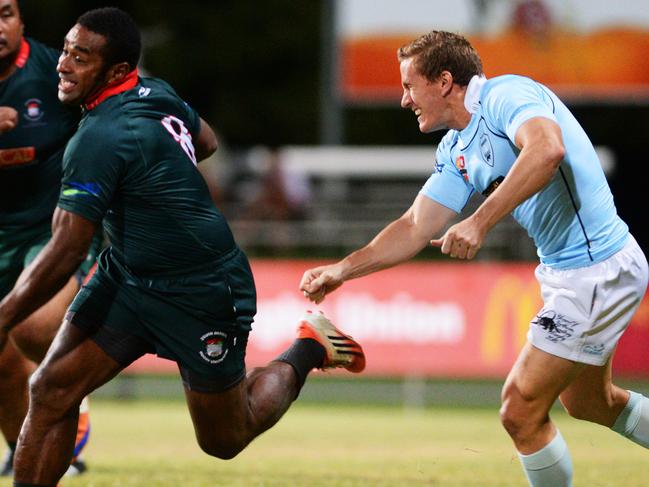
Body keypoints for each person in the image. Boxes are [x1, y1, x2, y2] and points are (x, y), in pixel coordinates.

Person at [0, 8, 365, 487]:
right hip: (128, 277)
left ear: (115, 72)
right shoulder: (156, 93)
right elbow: (206, 140)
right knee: (50, 389)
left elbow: (66, 251)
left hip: (201, 287)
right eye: (66, 50)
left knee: (224, 439)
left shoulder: (101, 137)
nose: (63, 65)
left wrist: (2, 316)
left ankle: (308, 348)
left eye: (80, 58)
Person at [300, 30, 648, 487]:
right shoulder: (455, 149)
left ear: (444, 82)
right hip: (570, 273)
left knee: (519, 409)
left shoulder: (506, 94)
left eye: (409, 86)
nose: (405, 100)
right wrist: (342, 270)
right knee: (589, 404)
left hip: (597, 269)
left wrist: (478, 222)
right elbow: (413, 227)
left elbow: (547, 148)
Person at [0, 0, 92, 476]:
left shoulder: (54, 70)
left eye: (5, 13)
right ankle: (28, 447)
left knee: (31, 326)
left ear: (21, 20)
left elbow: (107, 117)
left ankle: (69, 395)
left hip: (51, 229)